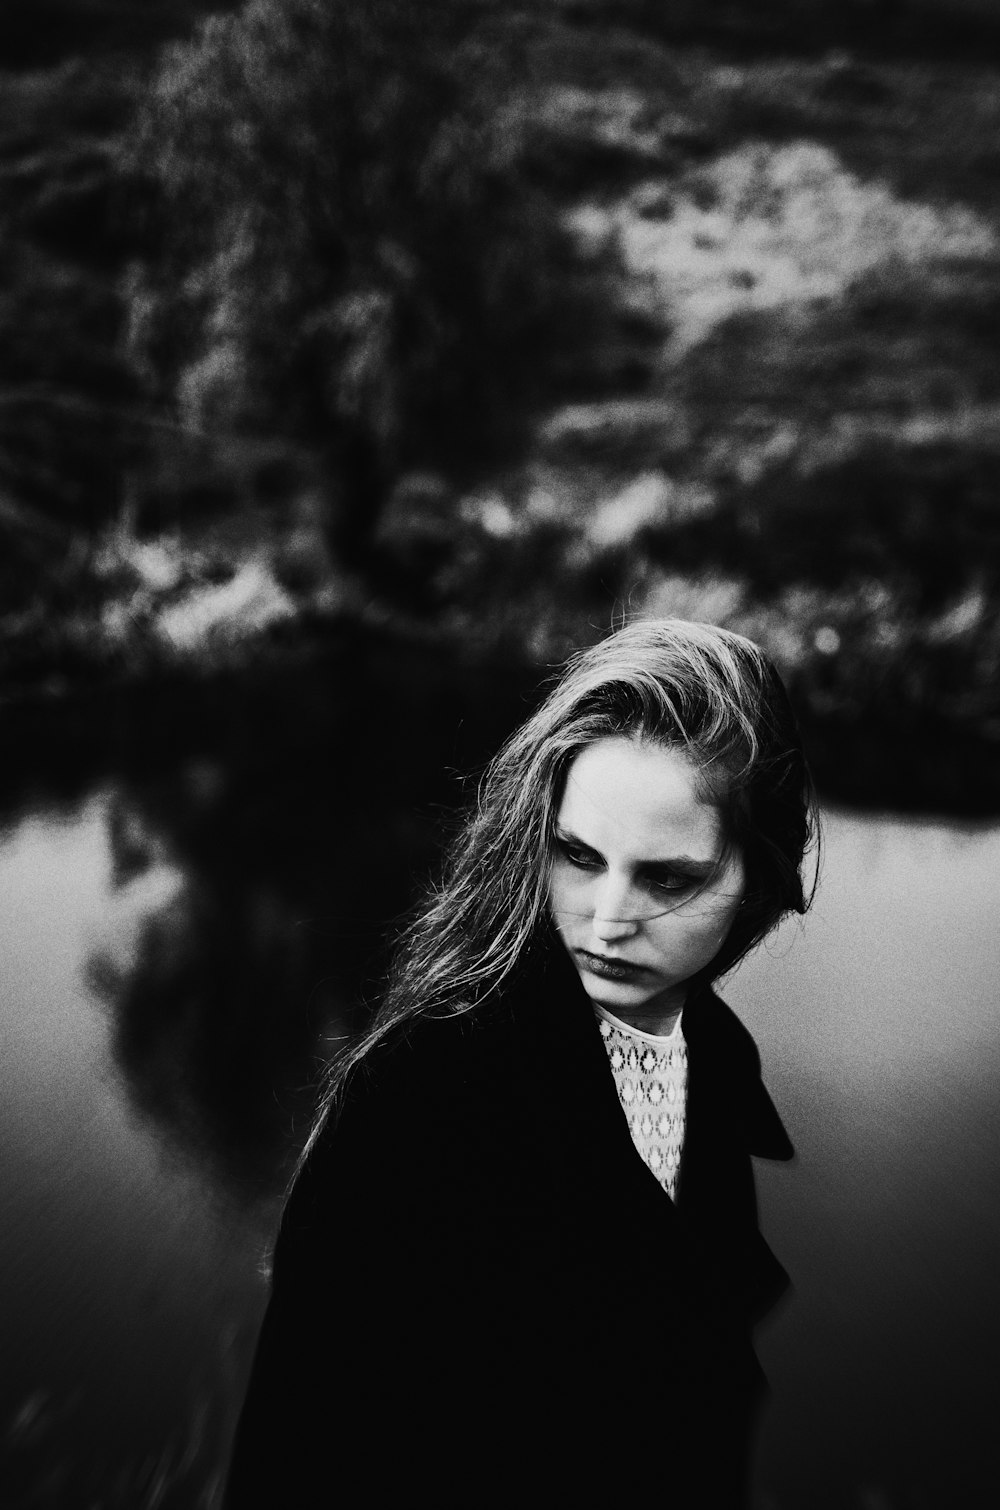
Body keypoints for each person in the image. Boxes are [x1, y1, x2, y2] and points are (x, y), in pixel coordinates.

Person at [224, 618, 818, 1508]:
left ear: (757, 882)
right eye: (578, 856)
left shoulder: (718, 1069)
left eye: (668, 878)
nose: (607, 917)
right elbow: (304, 1449)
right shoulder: (425, 1095)